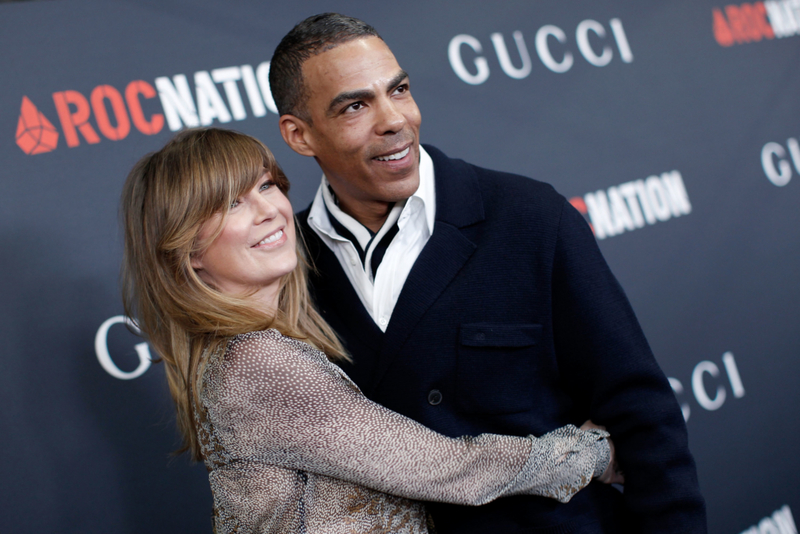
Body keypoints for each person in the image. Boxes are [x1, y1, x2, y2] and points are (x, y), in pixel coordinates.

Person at [271, 13, 707, 534]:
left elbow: (642, 413)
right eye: (356, 106)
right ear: (299, 135)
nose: (395, 120)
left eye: (400, 90)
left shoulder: (530, 216)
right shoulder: (280, 269)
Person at [120, 128, 617, 534]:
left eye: (266, 185)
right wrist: (588, 454)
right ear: (189, 253)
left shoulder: (247, 353)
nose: (268, 209)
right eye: (230, 203)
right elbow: (441, 467)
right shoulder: (256, 363)